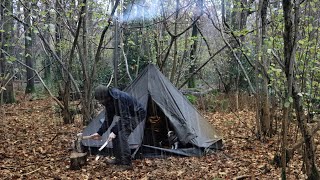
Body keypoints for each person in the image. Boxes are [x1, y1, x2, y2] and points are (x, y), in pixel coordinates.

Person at [89, 85, 146, 170]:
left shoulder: (119, 98)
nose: (101, 102)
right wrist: (99, 132)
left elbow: (126, 118)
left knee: (122, 134)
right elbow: (108, 119)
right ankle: (119, 159)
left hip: (137, 114)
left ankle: (127, 164)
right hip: (127, 116)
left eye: (101, 100)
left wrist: (115, 132)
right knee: (115, 132)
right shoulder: (108, 101)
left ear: (105, 96)